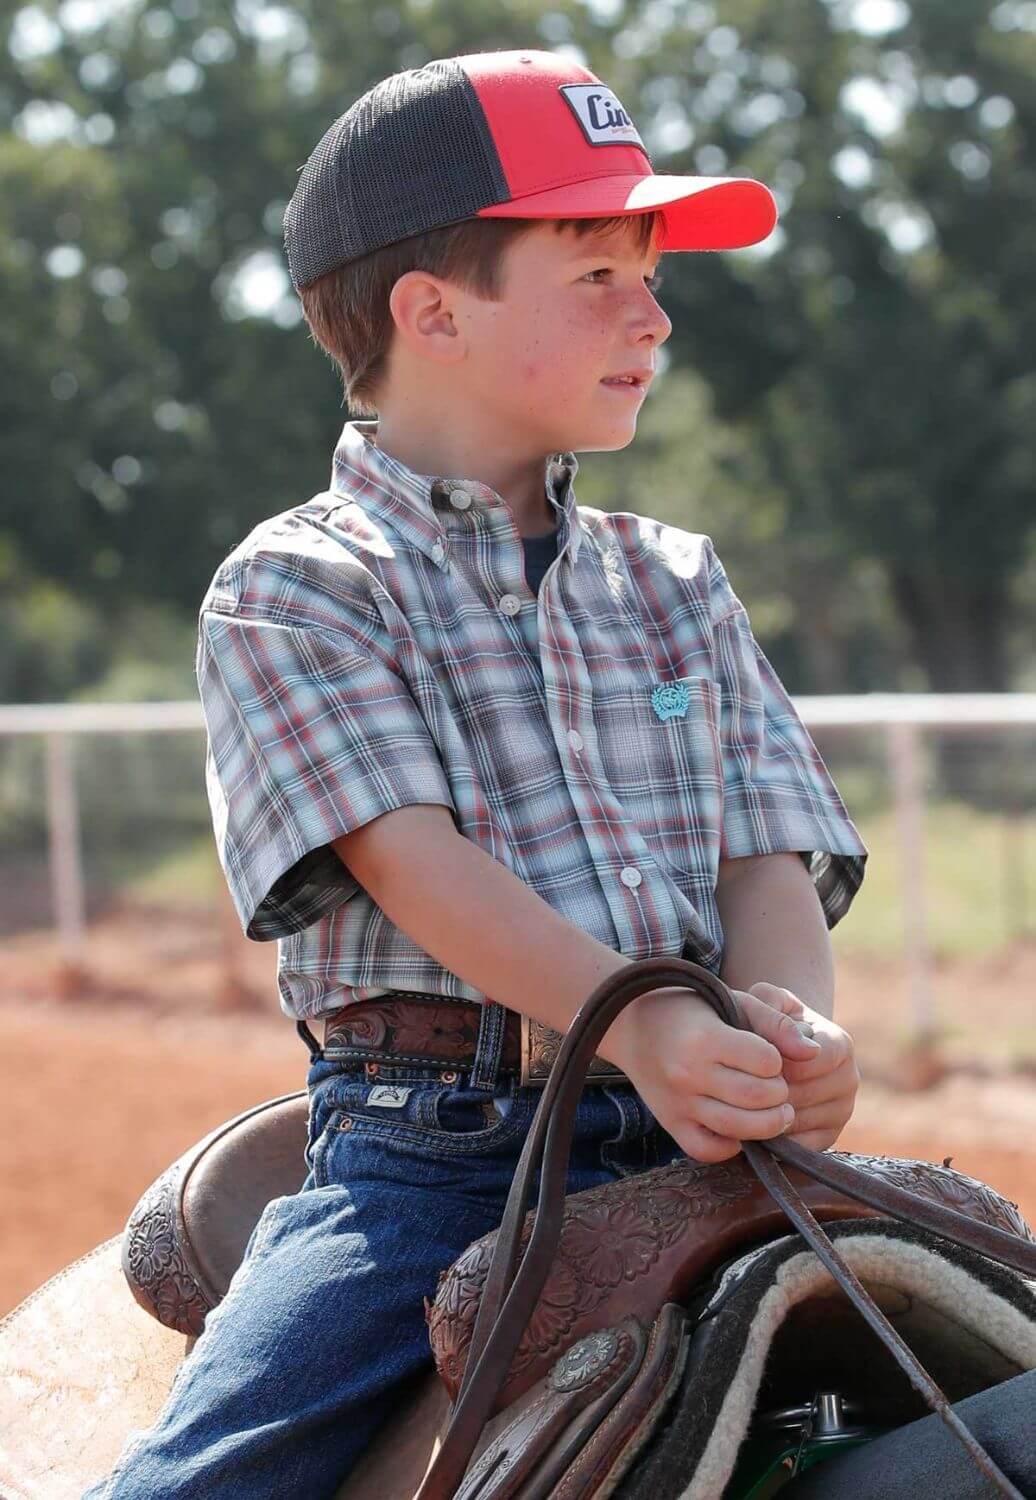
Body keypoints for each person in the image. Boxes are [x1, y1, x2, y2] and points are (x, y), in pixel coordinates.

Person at [85, 47, 867, 1499]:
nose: (656, 313)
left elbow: (767, 847)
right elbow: (410, 862)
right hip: (432, 1155)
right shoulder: (300, 585)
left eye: (653, 271)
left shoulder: (675, 578)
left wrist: (787, 1031)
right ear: (431, 311)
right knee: (211, 1479)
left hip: (694, 1118)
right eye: (599, 275)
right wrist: (637, 1031)